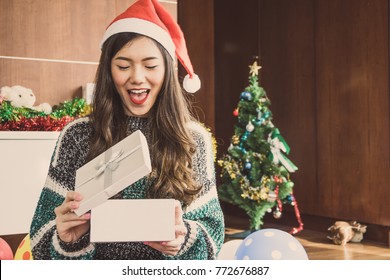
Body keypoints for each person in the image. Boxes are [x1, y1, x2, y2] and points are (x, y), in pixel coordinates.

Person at [29, 0, 225, 260]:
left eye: (151, 65)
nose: (137, 77)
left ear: (167, 70)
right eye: (123, 66)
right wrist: (65, 241)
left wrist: (184, 238)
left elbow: (213, 233)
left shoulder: (192, 138)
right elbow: (40, 238)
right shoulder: (77, 136)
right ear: (109, 71)